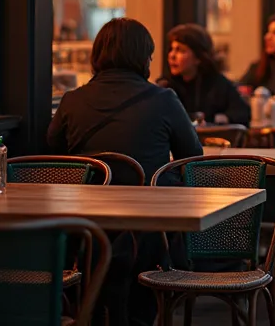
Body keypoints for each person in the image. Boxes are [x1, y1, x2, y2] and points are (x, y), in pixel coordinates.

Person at [47, 17, 203, 326]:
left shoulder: (72, 101)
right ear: (143, 57)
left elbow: (54, 160)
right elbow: (192, 158)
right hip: (148, 233)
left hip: (85, 231)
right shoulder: (164, 100)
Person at [158, 23, 250, 126]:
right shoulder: (165, 85)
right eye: (171, 49)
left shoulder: (217, 84)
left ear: (198, 58)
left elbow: (242, 113)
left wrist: (219, 119)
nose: (172, 55)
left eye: (180, 50)